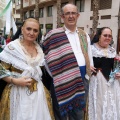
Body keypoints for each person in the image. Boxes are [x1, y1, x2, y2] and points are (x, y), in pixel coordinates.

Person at [43, 3, 94, 120]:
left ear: (78, 15)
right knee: (61, 113)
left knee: (78, 114)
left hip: (81, 80)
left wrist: (87, 74)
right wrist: (56, 76)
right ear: (62, 17)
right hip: (60, 81)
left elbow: (89, 54)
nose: (71, 16)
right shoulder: (54, 35)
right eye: (67, 13)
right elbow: (46, 58)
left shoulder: (84, 34)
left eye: (73, 13)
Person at [0, 18, 54, 120]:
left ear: (38, 33)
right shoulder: (12, 48)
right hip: (16, 93)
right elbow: (1, 70)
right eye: (28, 29)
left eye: (35, 30)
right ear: (22, 29)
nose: (31, 33)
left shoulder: (40, 49)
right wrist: (15, 80)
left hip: (38, 94)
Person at [89, 27, 120, 120]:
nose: (107, 37)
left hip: (112, 83)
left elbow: (116, 68)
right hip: (97, 83)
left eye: (109, 36)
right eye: (105, 35)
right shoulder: (91, 49)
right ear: (99, 36)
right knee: (99, 105)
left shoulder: (112, 51)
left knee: (111, 105)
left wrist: (118, 72)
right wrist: (88, 66)